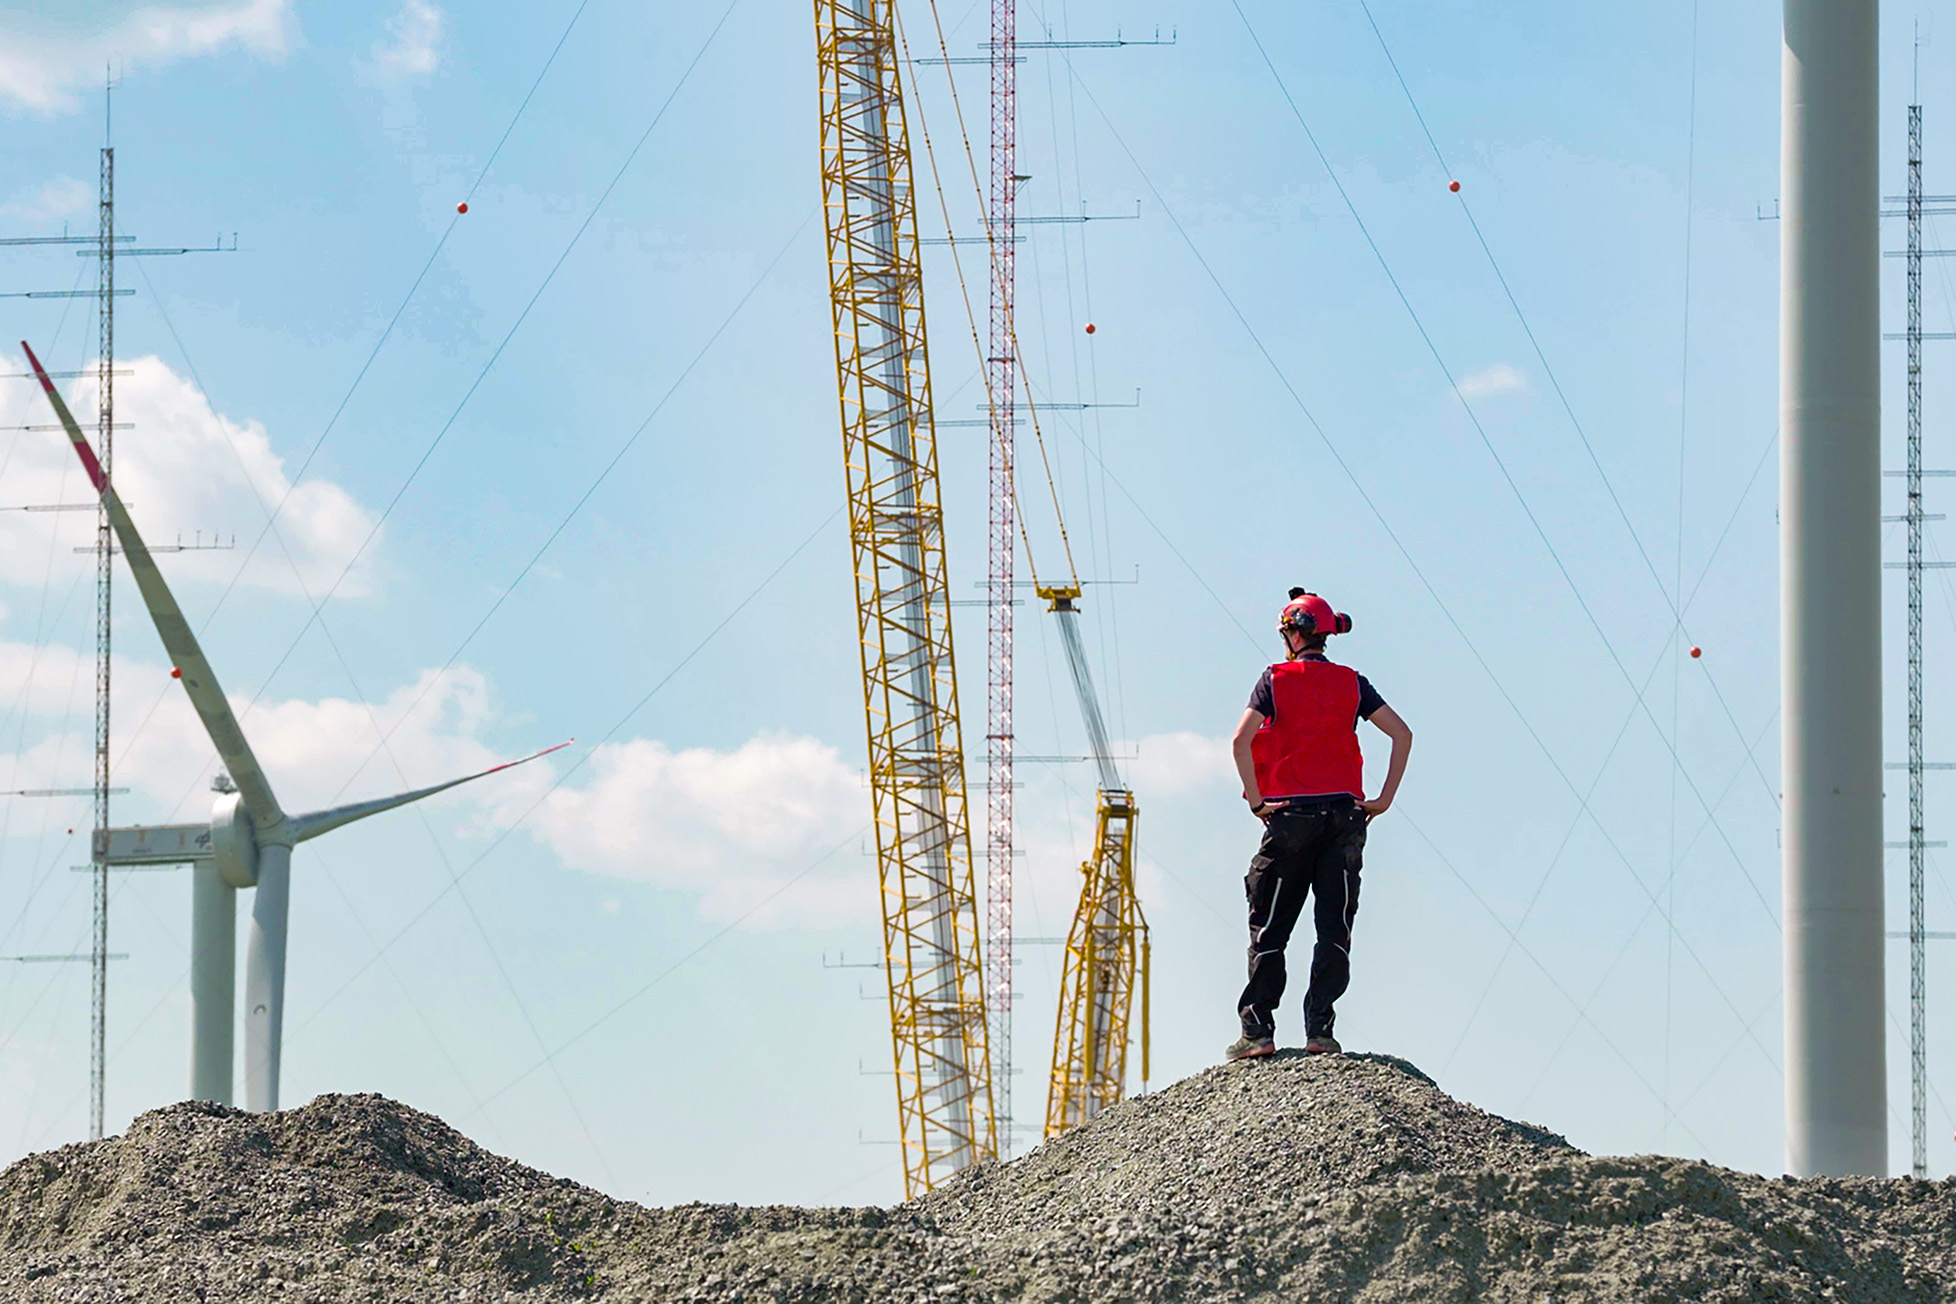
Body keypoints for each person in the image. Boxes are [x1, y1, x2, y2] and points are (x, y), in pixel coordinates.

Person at [1225, 588, 1412, 1061]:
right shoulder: (1353, 682)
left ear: (1294, 631)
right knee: (1334, 927)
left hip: (1289, 816)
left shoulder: (1275, 679)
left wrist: (1257, 801)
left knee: (1270, 926)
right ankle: (1320, 1032)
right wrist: (1383, 798)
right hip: (1346, 817)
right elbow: (1402, 733)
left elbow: (1240, 740)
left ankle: (1258, 1033)